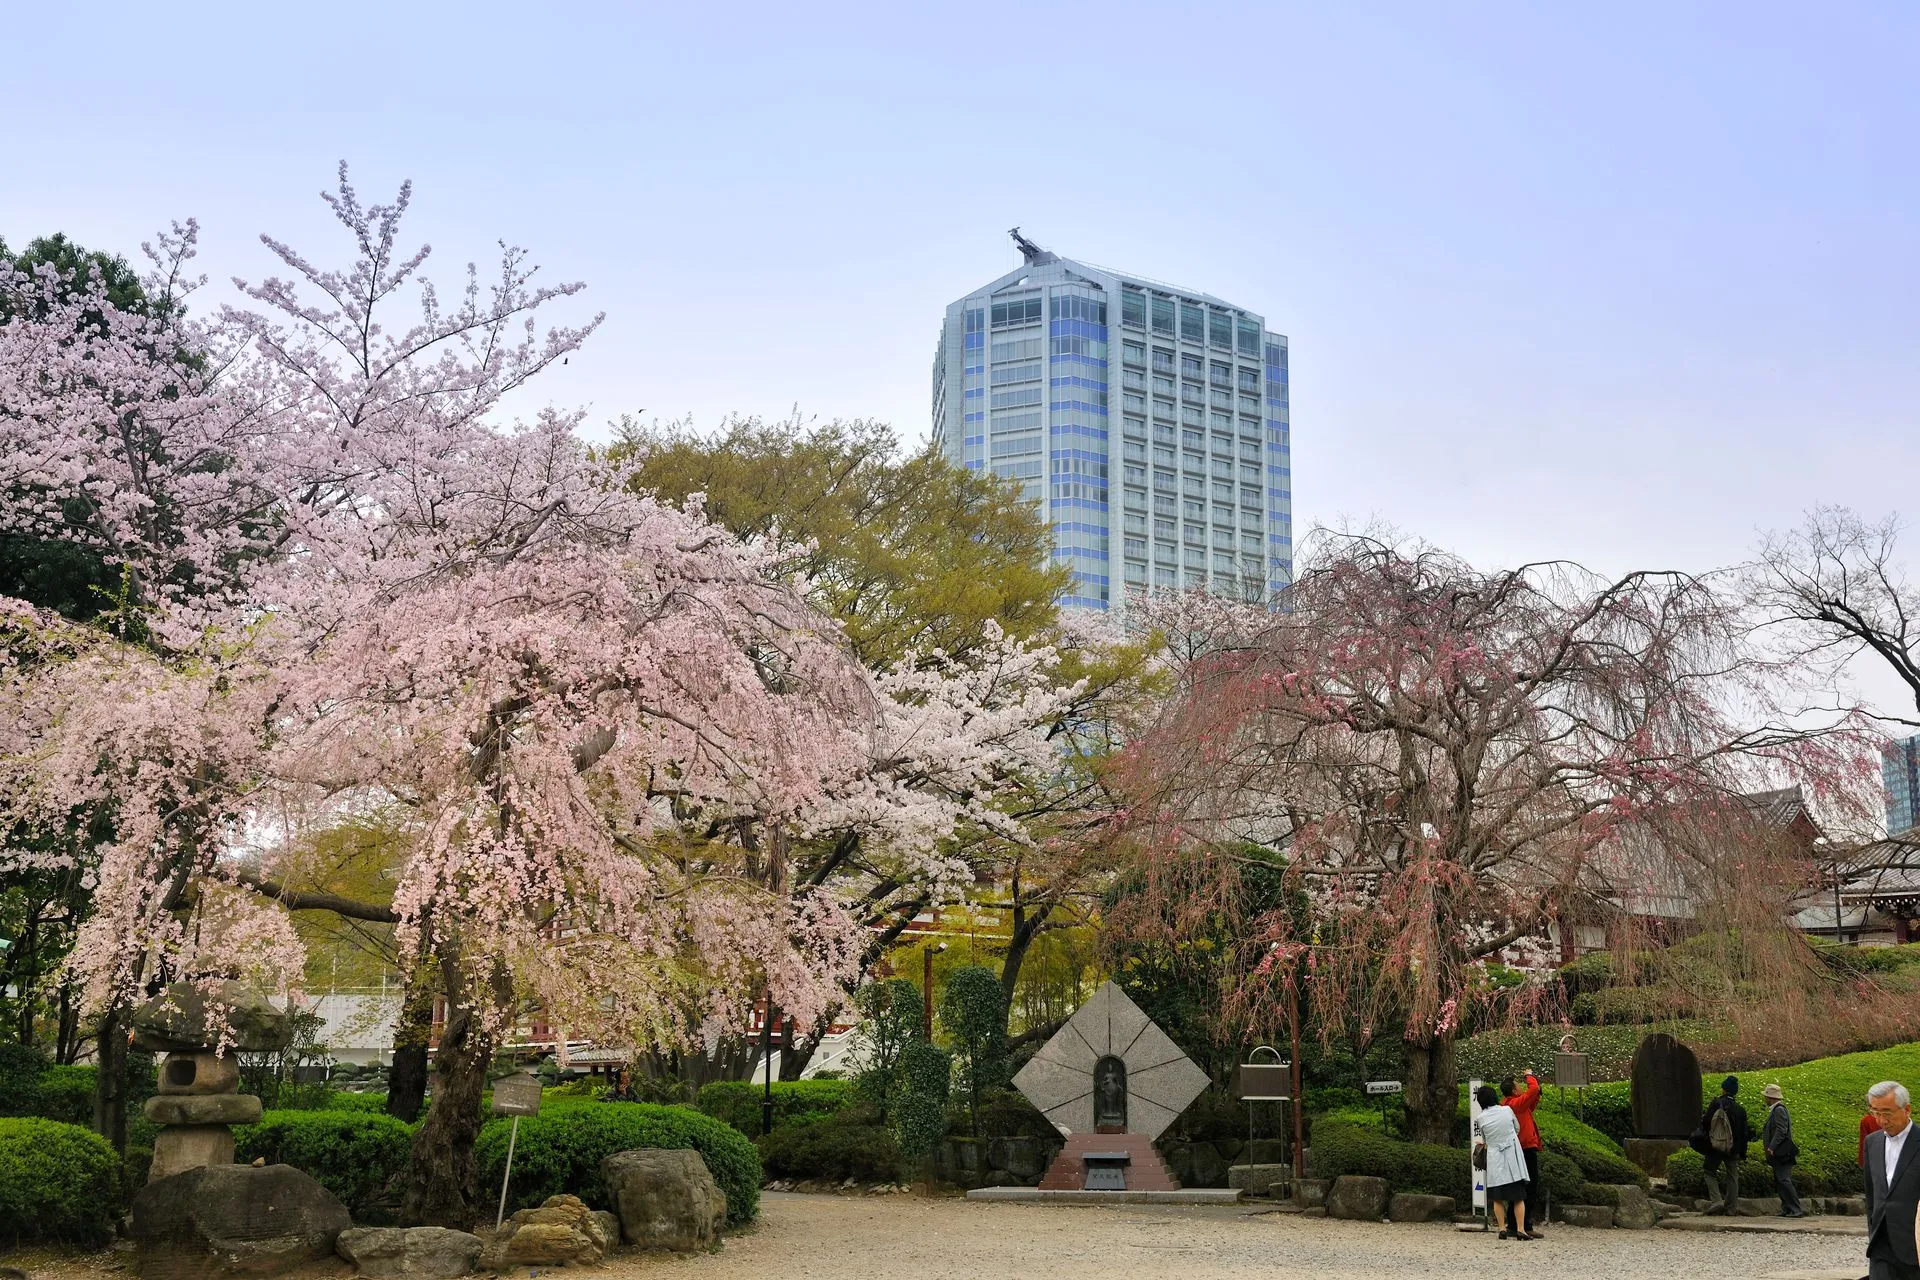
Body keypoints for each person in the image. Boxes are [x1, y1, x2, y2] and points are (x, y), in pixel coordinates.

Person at [1864, 1080, 1920, 1280]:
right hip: (1881, 1244)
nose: (1880, 1120)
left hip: (1914, 1245)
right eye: (1875, 1112)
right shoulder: (1872, 1142)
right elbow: (1871, 1195)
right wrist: (1873, 1230)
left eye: (1886, 1113)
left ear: (1907, 1109)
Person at [1474, 1083, 1532, 1241]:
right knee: (1518, 1197)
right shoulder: (1507, 1110)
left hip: (1495, 1159)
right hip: (1512, 1157)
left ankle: (1502, 1229)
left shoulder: (1481, 1118)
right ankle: (1521, 1230)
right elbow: (1517, 1128)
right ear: (1494, 1097)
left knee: (1498, 1198)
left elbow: (1485, 1139)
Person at [1695, 1075, 1750, 1216]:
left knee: (1709, 1171)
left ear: (1724, 1089)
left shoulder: (1717, 1103)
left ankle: (1717, 1201)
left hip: (1717, 1146)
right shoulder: (1740, 1110)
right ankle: (1731, 1208)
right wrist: (1742, 1152)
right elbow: (1745, 1133)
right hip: (1734, 1148)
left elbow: (1706, 1122)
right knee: (1732, 1176)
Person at [1502, 1070, 1544, 1238]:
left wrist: (1536, 1093)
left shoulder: (1509, 1104)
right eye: (1518, 1085)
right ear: (1513, 1091)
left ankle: (1513, 1224)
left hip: (1517, 1149)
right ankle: (1525, 1224)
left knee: (1516, 1187)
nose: (1521, 1087)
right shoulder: (1515, 1104)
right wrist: (1530, 1075)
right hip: (1525, 1149)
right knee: (1529, 1187)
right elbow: (1532, 1091)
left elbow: (1532, 1101)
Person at [1759, 1083, 1804, 1218]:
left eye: (1766, 1096)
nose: (1764, 1099)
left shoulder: (1779, 1110)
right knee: (1780, 1180)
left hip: (1781, 1152)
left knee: (1784, 1180)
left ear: (1770, 1097)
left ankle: (1795, 1208)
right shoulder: (1777, 1109)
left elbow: (1781, 1130)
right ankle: (1786, 1207)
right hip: (1779, 1152)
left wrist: (1772, 1147)